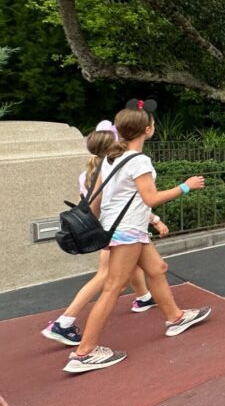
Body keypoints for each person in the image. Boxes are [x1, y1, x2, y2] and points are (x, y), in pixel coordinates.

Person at [64, 101, 211, 373]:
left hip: (124, 229)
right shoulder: (139, 160)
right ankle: (84, 353)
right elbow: (151, 198)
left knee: (158, 269)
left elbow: (94, 202)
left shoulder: (109, 158)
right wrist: (185, 187)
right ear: (147, 130)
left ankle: (175, 317)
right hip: (128, 230)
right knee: (113, 288)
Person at [41, 122, 160, 347]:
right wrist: (154, 219)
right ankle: (64, 322)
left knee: (131, 267)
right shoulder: (110, 169)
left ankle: (144, 298)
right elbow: (119, 202)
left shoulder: (88, 172)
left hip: (104, 228)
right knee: (107, 278)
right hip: (115, 229)